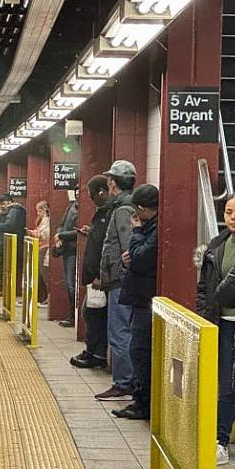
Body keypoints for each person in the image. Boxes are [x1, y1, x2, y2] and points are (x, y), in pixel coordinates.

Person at [195, 192, 235, 465]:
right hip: (219, 324)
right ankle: (215, 436)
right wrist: (204, 314)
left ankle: (221, 440)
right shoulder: (217, 245)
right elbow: (203, 288)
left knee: (229, 385)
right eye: (229, 212)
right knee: (220, 383)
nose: (233, 217)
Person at [111, 184, 159, 420]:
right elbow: (134, 258)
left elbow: (141, 259)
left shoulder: (152, 230)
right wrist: (126, 259)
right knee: (138, 349)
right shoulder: (151, 228)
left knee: (139, 351)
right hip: (140, 298)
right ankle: (140, 400)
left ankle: (143, 403)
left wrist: (136, 233)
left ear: (140, 209)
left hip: (146, 300)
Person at [95, 160, 137, 401]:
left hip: (120, 282)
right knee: (122, 330)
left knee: (119, 331)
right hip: (121, 281)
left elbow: (126, 247)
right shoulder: (126, 206)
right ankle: (126, 381)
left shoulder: (122, 209)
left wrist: (114, 275)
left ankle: (123, 383)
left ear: (112, 183)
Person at [71, 175, 113, 369]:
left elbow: (108, 246)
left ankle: (94, 353)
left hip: (101, 276)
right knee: (93, 313)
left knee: (92, 313)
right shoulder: (103, 212)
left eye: (92, 195)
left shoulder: (111, 212)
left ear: (101, 192)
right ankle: (95, 352)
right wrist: (91, 231)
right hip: (98, 274)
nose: (91, 199)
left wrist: (99, 275)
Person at [55, 190, 80, 326]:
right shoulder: (71, 207)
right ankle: (71, 315)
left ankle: (73, 316)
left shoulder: (81, 209)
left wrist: (62, 235)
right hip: (66, 249)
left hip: (74, 250)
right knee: (68, 283)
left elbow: (79, 231)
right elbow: (62, 223)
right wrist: (59, 234)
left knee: (71, 284)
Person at [26, 200, 51, 305]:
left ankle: (48, 297)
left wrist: (33, 233)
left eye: (39, 211)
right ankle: (46, 297)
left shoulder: (46, 220)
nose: (38, 213)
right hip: (41, 247)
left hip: (43, 248)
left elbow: (45, 234)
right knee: (42, 274)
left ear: (45, 210)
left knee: (44, 273)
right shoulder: (43, 220)